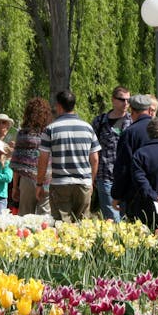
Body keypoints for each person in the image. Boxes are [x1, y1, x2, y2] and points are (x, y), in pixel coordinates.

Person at [36, 90, 101, 222]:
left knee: (61, 225)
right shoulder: (87, 128)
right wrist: (91, 181)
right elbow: (94, 159)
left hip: (61, 184)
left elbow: (43, 160)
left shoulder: (51, 129)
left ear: (59, 106)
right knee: (82, 226)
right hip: (83, 183)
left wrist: (39, 183)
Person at [112, 94, 158, 215]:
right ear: (149, 110)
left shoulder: (129, 133)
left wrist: (117, 195)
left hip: (136, 196)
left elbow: (122, 168)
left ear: (132, 110)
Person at [91, 86, 132, 221]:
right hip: (105, 175)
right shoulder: (100, 121)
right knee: (112, 220)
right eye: (122, 99)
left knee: (128, 219)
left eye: (128, 100)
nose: (125, 103)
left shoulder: (132, 121)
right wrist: (93, 175)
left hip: (127, 178)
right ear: (113, 100)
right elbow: (92, 149)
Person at [10, 97, 53, 216]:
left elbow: (17, 163)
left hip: (27, 179)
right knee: (45, 216)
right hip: (47, 178)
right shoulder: (50, 133)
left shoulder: (23, 134)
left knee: (25, 215)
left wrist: (15, 187)